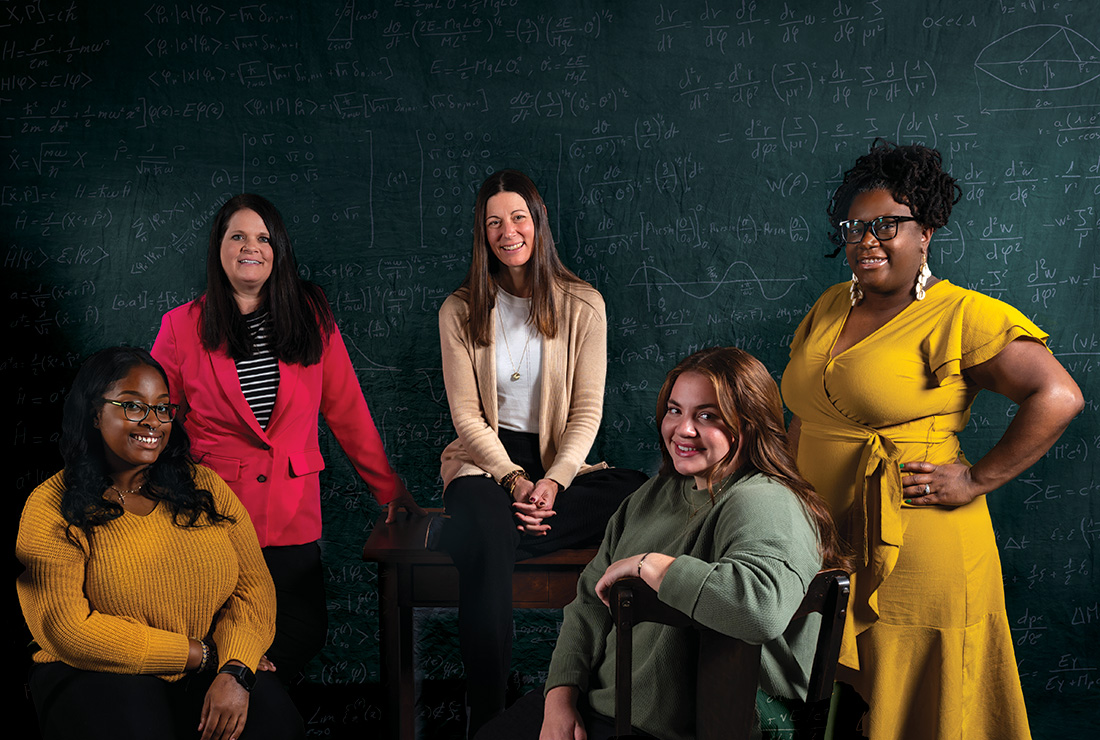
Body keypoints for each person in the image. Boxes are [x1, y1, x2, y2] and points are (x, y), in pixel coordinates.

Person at [781, 141, 1084, 740]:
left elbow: (1059, 396)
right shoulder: (826, 308)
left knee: (921, 706)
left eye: (887, 225)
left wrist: (975, 479)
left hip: (918, 551)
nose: (867, 240)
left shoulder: (962, 315)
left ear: (927, 232)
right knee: (840, 705)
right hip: (825, 539)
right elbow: (807, 416)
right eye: (856, 227)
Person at [475, 346, 847, 740]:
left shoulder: (765, 501)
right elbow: (588, 606)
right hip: (603, 710)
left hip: (699, 728)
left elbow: (761, 609)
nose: (683, 429)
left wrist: (650, 566)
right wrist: (560, 702)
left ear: (750, 424)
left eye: (707, 416)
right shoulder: (654, 494)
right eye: (675, 410)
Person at [151, 193, 423, 678]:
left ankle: (244, 688)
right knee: (220, 635)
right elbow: (155, 423)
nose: (249, 247)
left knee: (299, 632)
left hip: (292, 513)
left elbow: (347, 409)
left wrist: (389, 487)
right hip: (213, 519)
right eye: (237, 236)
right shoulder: (180, 326)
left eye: (262, 237)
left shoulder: (310, 312)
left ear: (278, 249)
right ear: (218, 248)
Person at [438, 169, 647, 735]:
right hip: (484, 464)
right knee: (488, 521)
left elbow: (586, 413)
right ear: (482, 235)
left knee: (639, 492)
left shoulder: (584, 305)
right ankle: (489, 716)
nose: (509, 232)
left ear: (538, 224)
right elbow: (466, 417)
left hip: (560, 467)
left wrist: (551, 482)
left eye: (519, 218)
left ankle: (484, 533)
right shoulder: (458, 310)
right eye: (494, 222)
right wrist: (512, 481)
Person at [16, 347, 304, 740]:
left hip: (213, 666)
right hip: (92, 669)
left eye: (163, 408)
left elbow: (253, 591)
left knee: (275, 725)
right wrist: (202, 656)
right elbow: (68, 629)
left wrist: (235, 668)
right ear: (94, 414)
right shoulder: (51, 505)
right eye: (133, 407)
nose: (152, 422)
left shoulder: (204, 486)